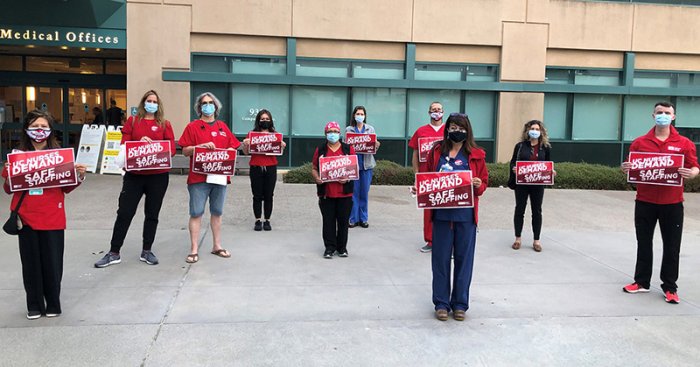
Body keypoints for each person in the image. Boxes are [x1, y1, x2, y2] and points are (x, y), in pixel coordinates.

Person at [3, 110, 87, 319]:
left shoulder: (59, 157)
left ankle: (53, 304)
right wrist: (9, 173)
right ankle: (34, 304)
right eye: (35, 127)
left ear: (50, 130)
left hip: (52, 217)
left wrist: (79, 176)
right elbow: (8, 189)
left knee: (53, 263)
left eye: (43, 127)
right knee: (31, 264)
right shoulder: (17, 155)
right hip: (26, 217)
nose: (39, 131)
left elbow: (66, 188)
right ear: (26, 130)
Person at [621, 101, 699, 304]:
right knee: (643, 243)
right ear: (652, 115)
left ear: (673, 116)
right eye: (659, 112)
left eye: (667, 112)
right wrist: (625, 168)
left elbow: (694, 167)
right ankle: (641, 282)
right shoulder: (639, 142)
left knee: (672, 246)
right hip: (645, 201)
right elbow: (632, 167)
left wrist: (691, 173)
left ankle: (670, 287)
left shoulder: (684, 143)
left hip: (672, 203)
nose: (662, 115)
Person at [94, 90, 176, 268]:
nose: (151, 103)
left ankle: (147, 250)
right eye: (149, 100)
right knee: (124, 213)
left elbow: (171, 148)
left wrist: (156, 146)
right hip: (134, 177)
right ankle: (114, 252)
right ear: (143, 102)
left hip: (157, 177)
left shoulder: (164, 124)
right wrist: (140, 143)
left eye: (155, 101)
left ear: (158, 104)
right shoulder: (133, 121)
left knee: (152, 214)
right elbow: (124, 144)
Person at [425, 113, 487, 321]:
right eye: (453, 127)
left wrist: (479, 185)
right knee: (440, 261)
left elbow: (484, 182)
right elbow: (426, 177)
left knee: (464, 261)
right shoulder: (436, 152)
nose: (456, 131)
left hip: (466, 217)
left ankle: (460, 304)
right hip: (442, 216)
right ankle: (441, 303)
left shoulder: (476, 154)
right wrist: (420, 189)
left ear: (467, 130)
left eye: (460, 128)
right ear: (447, 129)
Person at [178, 92, 241, 264]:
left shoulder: (222, 126)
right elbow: (184, 151)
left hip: (219, 178)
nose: (207, 106)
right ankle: (194, 249)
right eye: (204, 103)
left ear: (216, 106)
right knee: (196, 212)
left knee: (217, 212)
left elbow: (234, 147)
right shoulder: (192, 127)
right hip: (198, 178)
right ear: (199, 107)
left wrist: (234, 150)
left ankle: (217, 246)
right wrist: (198, 147)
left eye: (210, 103)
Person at [311, 121, 356, 259]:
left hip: (345, 193)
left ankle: (342, 248)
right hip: (327, 193)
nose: (333, 134)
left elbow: (354, 168)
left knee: (343, 222)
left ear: (339, 133)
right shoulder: (321, 149)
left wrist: (348, 178)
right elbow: (313, 168)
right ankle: (329, 248)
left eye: (335, 132)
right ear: (326, 134)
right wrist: (317, 177)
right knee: (328, 221)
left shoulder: (348, 149)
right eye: (330, 132)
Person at [509, 120, 553, 252]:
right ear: (527, 131)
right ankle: (518, 238)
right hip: (522, 184)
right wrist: (514, 169)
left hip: (537, 184)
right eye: (532, 128)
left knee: (537, 211)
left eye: (537, 129)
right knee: (520, 209)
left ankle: (536, 240)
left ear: (541, 132)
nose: (535, 131)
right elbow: (512, 162)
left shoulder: (545, 148)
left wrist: (551, 172)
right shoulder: (520, 146)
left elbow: (548, 164)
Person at [409, 102, 445, 252]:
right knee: (428, 210)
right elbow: (415, 155)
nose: (436, 112)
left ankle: (445, 241)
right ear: (429, 112)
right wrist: (417, 175)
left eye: (439, 109)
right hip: (426, 178)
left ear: (443, 112)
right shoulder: (421, 131)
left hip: (445, 178)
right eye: (433, 109)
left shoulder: (448, 130)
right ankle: (430, 240)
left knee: (445, 209)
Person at [241, 109, 286, 231]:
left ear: (270, 120)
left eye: (267, 119)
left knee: (269, 195)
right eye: (262, 119)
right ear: (258, 120)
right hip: (256, 167)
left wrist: (282, 146)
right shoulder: (252, 134)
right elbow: (246, 152)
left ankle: (267, 220)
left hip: (271, 167)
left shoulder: (275, 134)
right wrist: (245, 144)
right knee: (256, 195)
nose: (265, 121)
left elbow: (279, 152)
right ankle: (257, 220)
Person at [345, 106, 380, 228]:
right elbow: (345, 146)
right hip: (354, 166)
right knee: (353, 193)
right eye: (358, 113)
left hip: (367, 166)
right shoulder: (349, 129)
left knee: (364, 193)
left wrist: (376, 144)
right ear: (354, 115)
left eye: (362, 113)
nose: (360, 115)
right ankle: (353, 219)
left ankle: (363, 218)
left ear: (365, 115)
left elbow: (374, 146)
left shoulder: (370, 129)